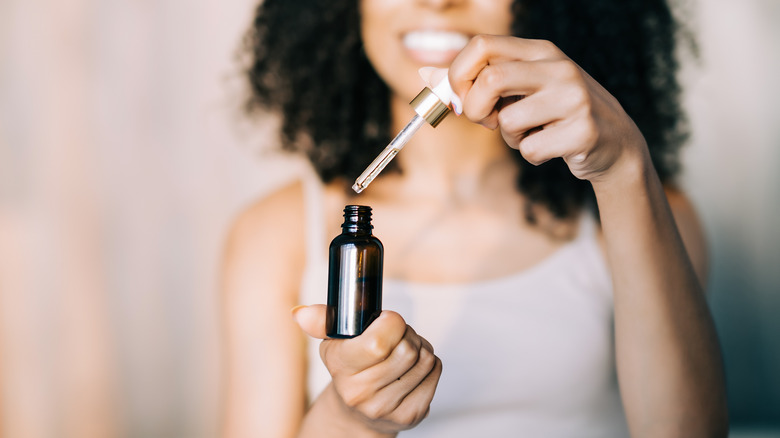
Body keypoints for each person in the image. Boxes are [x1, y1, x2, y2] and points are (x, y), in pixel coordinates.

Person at [220, 0, 728, 436]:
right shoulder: (275, 234)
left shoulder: (637, 206)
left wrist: (622, 167)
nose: (437, 0)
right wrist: (352, 418)